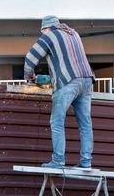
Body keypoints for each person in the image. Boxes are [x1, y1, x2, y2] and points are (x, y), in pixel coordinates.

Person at [24, 15, 95, 170]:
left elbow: (30, 58)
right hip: (87, 79)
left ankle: (58, 161)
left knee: (57, 122)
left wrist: (30, 78)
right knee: (85, 123)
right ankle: (86, 162)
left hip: (68, 82)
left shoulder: (49, 35)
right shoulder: (74, 33)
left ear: (46, 28)